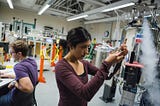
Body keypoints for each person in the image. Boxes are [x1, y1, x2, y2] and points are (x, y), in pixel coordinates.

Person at [55, 27, 128, 106]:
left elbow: (107, 76)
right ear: (71, 46)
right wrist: (106, 64)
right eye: (83, 47)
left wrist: (117, 57)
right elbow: (85, 94)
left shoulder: (84, 63)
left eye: (88, 47)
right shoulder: (61, 67)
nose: (86, 52)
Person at [0, 40, 38, 106]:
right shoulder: (32, 61)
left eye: (12, 53)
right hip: (27, 100)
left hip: (16, 101)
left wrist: (15, 83)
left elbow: (29, 88)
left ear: (19, 54)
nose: (10, 55)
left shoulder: (19, 67)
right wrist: (7, 75)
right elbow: (24, 76)